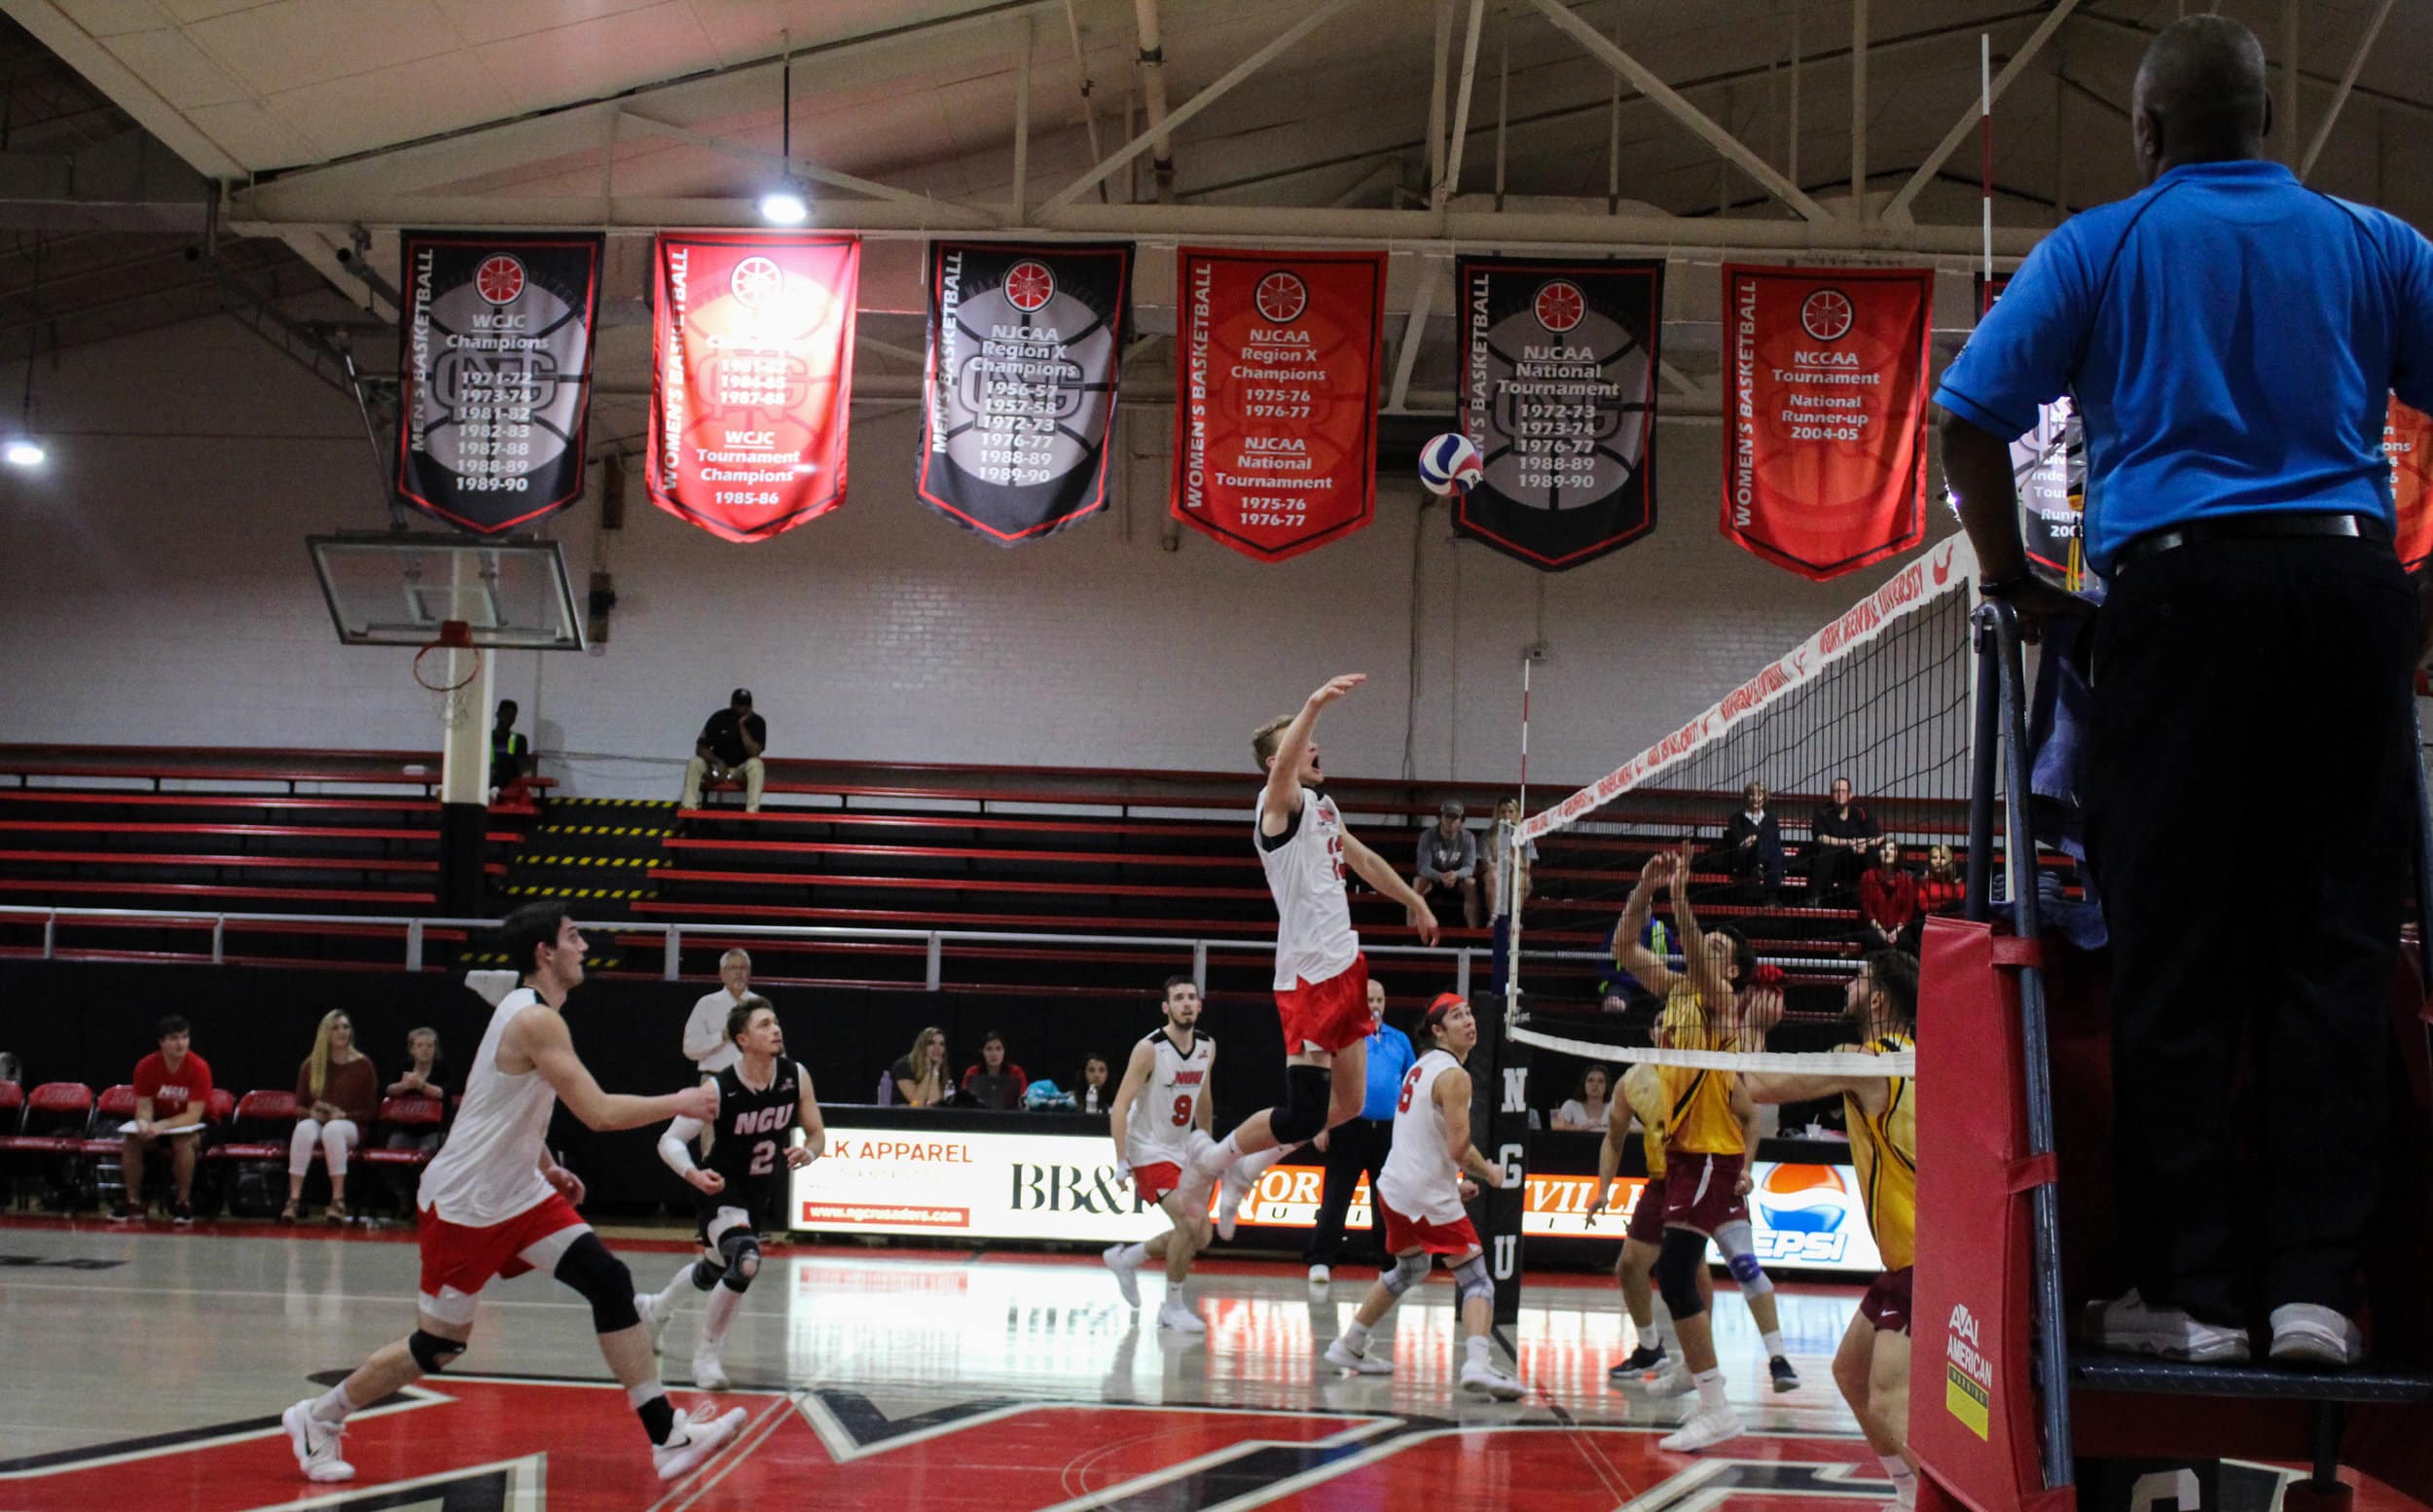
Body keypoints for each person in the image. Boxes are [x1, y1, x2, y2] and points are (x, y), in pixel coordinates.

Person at [1938, 14, 2431, 1367]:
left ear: (2148, 130)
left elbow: (1965, 420)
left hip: (2175, 602)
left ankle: (2197, 1293)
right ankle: (2319, 1290)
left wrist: (2017, 585)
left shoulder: (2103, 243)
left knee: (2174, 949)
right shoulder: (2374, 242)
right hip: (2344, 597)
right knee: (2335, 944)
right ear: (2269, 124)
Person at [281, 901, 743, 1486]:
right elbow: (598, 1113)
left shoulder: (530, 1012)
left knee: (609, 1279)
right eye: (574, 937)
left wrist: (544, 1163)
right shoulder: (534, 1020)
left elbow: (503, 1101)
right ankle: (319, 1416)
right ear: (544, 952)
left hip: (519, 1191)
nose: (584, 946)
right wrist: (682, 1101)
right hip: (466, 1204)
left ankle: (667, 1437)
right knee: (439, 1345)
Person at [1188, 674, 1441, 1239]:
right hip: (1308, 975)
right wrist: (1314, 703)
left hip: (1346, 966)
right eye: (1306, 744)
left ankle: (1249, 1166)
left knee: (1348, 1105)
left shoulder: (1323, 808)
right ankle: (1215, 1162)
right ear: (1283, 758)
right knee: (1303, 1114)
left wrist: (1413, 903)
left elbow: (1366, 860)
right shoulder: (1276, 807)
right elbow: (1281, 772)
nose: (1316, 747)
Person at [1612, 851, 1799, 1453]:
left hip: (1714, 1153)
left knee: (1682, 1270)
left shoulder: (1721, 1002)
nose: (1707, 949)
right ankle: (1702, 1390)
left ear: (1735, 969)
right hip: (1683, 1154)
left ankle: (1718, 1402)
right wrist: (1645, 889)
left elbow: (1692, 952)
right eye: (1707, 942)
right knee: (1671, 1269)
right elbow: (1623, 950)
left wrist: (1682, 900)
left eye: (1720, 946)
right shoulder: (1676, 991)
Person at [1743, 953, 1920, 1508]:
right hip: (1911, 1257)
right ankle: (1910, 1490)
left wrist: (1750, 1028)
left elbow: (1757, 1085)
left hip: (1926, 1259)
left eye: (1859, 977)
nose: (1848, 983)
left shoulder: (1868, 1064)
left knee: (1890, 1399)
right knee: (1851, 1372)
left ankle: (1942, 1502)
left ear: (1876, 1001)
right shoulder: (1912, 1056)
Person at [1318, 993, 1522, 1401]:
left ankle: (1350, 1343)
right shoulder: (1455, 1076)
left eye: (1469, 1014)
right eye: (1457, 1017)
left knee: (1410, 1269)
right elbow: (1459, 1149)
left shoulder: (1420, 1067)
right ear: (1437, 1030)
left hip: (1395, 1188)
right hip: (1423, 1194)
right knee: (1479, 1280)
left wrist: (1450, 1183)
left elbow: (1424, 1136)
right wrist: (1491, 1172)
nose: (1469, 1022)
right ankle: (1477, 1365)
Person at [642, 995, 825, 1389]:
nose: (775, 1029)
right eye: (764, 1025)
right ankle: (706, 1358)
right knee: (745, 1260)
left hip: (757, 1195)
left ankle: (655, 1311)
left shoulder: (797, 1076)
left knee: (711, 1270)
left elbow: (817, 1133)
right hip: (720, 1190)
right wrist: (692, 1173)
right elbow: (669, 1141)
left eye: (776, 1022)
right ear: (742, 1039)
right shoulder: (718, 1089)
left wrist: (809, 1151)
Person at [1103, 976, 1220, 1333]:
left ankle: (1128, 1259)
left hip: (1182, 1148)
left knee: (1201, 1236)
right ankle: (1172, 1307)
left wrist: (1208, 1150)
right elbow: (1120, 1105)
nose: (1186, 1003)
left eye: (1192, 997)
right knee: (1187, 1221)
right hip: (1148, 1148)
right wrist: (1121, 1160)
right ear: (1166, 1007)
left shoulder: (1207, 1046)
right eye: (1178, 998)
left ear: (1199, 1005)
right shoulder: (1149, 1048)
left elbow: (1203, 1097)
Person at [1306, 976, 1414, 1286]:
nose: (1375, 1006)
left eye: (1379, 1001)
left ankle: (1388, 1262)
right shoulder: (1343, 1037)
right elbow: (1325, 1081)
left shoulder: (1399, 1040)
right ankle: (1321, 1260)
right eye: (1369, 1001)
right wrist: (1322, 1124)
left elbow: (1410, 1083)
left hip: (1388, 1132)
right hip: (1348, 1128)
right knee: (1337, 1196)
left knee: (1386, 1200)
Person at [283, 1010, 380, 1224]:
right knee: (303, 1128)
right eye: (335, 1027)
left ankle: (338, 1200)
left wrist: (343, 1115)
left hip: (352, 1126)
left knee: (333, 1129)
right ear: (325, 1033)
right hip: (321, 1121)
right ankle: (294, 1198)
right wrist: (312, 1113)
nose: (342, 1032)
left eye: (346, 1027)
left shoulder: (364, 1065)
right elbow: (298, 1106)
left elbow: (371, 1110)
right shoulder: (311, 1065)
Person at [113, 1015, 212, 1224]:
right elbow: (145, 1106)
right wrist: (143, 1123)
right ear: (162, 1042)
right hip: (163, 1122)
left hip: (198, 1124)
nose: (181, 1043)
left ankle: (183, 1203)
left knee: (182, 1141)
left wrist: (162, 1125)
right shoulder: (146, 1066)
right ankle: (133, 1202)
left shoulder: (199, 1067)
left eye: (185, 1037)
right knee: (132, 1140)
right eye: (174, 1038)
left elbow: (193, 1115)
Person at [380, 1026, 450, 1210]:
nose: (425, 1049)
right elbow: (389, 1090)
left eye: (430, 1045)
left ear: (435, 1049)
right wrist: (403, 1086)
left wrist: (421, 1085)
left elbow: (444, 1093)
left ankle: (423, 1199)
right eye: (420, 1045)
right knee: (390, 1153)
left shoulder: (442, 1070)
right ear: (412, 1049)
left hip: (434, 1130)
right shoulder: (403, 1067)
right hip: (405, 1130)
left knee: (428, 1153)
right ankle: (403, 1194)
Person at [679, 688, 768, 811]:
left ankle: (752, 812)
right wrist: (716, 761)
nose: (741, 708)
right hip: (717, 770)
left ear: (750, 706)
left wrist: (741, 725)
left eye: (745, 705)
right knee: (695, 762)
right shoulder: (718, 718)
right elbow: (701, 747)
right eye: (739, 704)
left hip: (740, 772)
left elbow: (754, 753)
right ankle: (688, 807)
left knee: (756, 764)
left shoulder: (758, 722)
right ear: (731, 703)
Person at [681, 950, 753, 1083]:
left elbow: (776, 1050)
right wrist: (722, 1036)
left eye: (743, 968)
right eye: (732, 968)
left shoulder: (760, 1004)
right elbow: (690, 1049)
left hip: (754, 1084)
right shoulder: (706, 1004)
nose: (738, 973)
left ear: (749, 972)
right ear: (721, 974)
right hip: (715, 1081)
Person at [1806, 778, 1880, 904]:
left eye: (1843, 791)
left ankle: (1874, 898)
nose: (1840, 794)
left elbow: (1879, 838)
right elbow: (1820, 837)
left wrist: (1863, 843)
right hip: (1833, 861)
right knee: (1824, 851)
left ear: (1851, 795)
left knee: (1872, 852)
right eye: (1836, 791)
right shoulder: (1823, 812)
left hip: (1856, 860)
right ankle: (1815, 898)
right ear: (1831, 795)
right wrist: (1849, 843)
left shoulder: (1862, 812)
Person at [1413, 800, 1481, 929]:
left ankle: (1473, 934)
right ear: (1440, 818)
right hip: (1434, 880)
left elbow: (1469, 867)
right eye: (1447, 817)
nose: (1451, 821)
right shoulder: (1427, 836)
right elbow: (1423, 867)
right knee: (1418, 882)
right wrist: (1440, 876)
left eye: (1455, 817)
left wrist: (1455, 874)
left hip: (1457, 880)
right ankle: (1410, 932)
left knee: (1471, 883)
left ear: (1461, 820)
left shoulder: (1468, 838)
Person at [1717, 783, 1786, 901]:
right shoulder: (1737, 818)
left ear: (1764, 798)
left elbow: (1777, 842)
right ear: (1746, 797)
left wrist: (1755, 838)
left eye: (1759, 794)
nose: (1755, 798)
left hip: (1769, 859)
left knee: (1772, 849)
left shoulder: (1771, 818)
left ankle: (1760, 867)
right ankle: (1771, 897)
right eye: (1751, 795)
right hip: (1746, 859)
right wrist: (1756, 840)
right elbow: (1741, 843)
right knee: (1766, 847)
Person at [1858, 839, 1922, 954]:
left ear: (1898, 855)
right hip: (1874, 927)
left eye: (1892, 849)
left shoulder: (1906, 880)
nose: (1887, 852)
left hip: (1898, 928)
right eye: (1883, 849)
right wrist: (1883, 933)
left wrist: (1895, 933)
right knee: (1877, 942)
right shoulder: (1868, 876)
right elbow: (1868, 910)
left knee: (1905, 942)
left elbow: (1907, 912)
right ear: (1878, 854)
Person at [1482, 797, 1538, 920]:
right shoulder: (1488, 835)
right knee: (1492, 875)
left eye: (1510, 811)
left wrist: (1510, 863)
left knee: (1519, 876)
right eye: (1502, 811)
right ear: (1497, 814)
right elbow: (1487, 863)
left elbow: (1526, 866)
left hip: (1517, 873)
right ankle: (1494, 919)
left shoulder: (1525, 836)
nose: (1506, 815)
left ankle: (1515, 920)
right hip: (1496, 874)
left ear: (1516, 813)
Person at [960, 1030, 1030, 1110]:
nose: (994, 1053)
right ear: (982, 1052)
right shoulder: (972, 1072)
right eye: (989, 1049)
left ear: (1004, 1051)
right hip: (978, 1116)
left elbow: (1024, 1100)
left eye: (998, 1049)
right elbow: (963, 1101)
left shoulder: (1016, 1072)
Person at [890, 1027, 949, 1107]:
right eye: (931, 1043)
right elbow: (917, 1103)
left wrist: (935, 1072)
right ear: (921, 1046)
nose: (937, 1048)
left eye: (941, 1044)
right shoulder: (904, 1065)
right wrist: (928, 1073)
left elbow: (934, 1104)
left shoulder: (940, 1068)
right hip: (902, 1116)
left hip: (927, 1117)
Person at [490, 700, 530, 798]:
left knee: (506, 762)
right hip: (488, 782)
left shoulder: (519, 739)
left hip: (509, 785)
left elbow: (523, 767)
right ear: (498, 714)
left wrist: (527, 788)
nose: (509, 718)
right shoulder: (486, 737)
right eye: (506, 713)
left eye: (513, 715)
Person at [1552, 1064, 1612, 1132]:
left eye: (1600, 1081)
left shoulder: (1614, 1106)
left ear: (1606, 1086)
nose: (1595, 1084)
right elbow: (1557, 1128)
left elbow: (1625, 1129)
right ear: (1584, 1085)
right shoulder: (1571, 1105)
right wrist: (1584, 1127)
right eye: (1590, 1080)